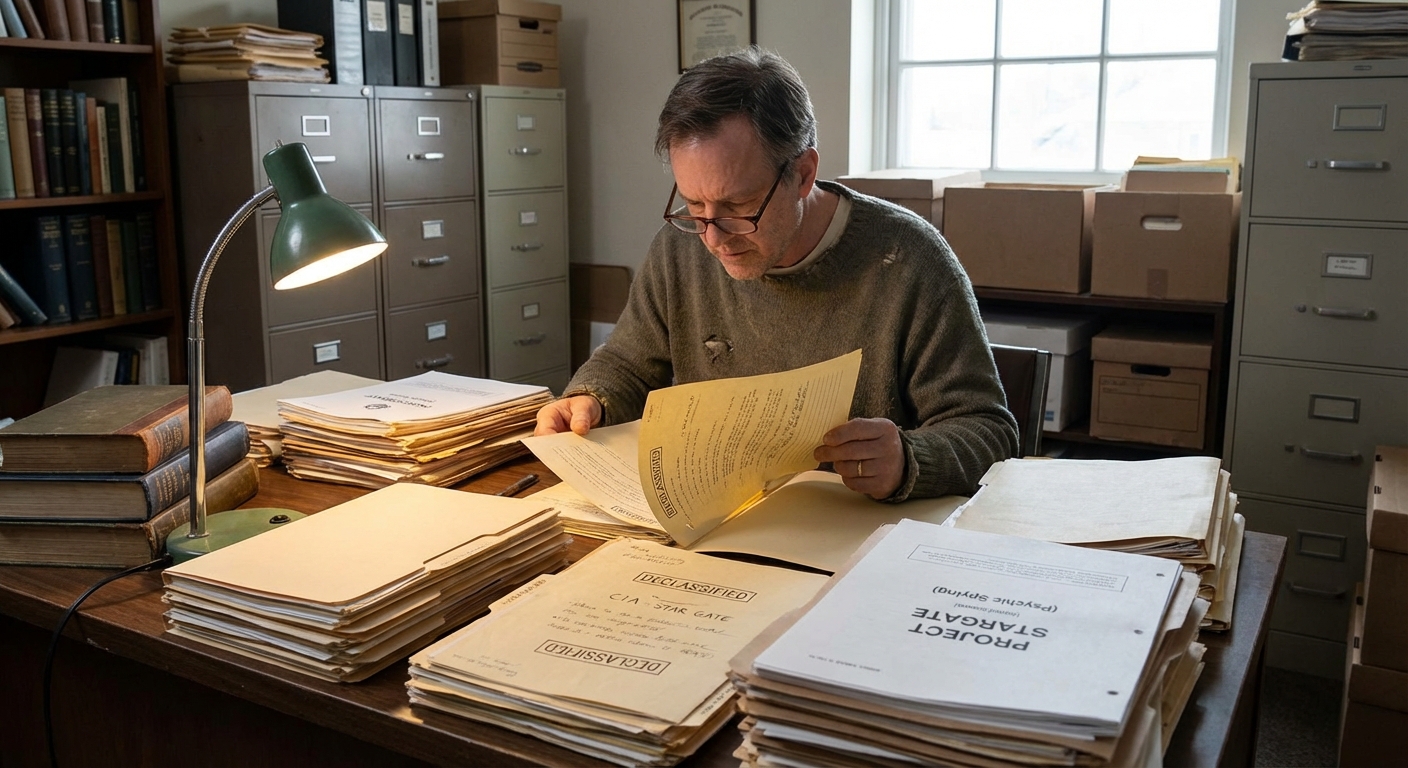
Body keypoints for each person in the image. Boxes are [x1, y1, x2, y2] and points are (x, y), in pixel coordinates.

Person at [534, 47, 1018, 501]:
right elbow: (627, 362)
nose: (713, 237)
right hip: (718, 524)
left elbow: (989, 432)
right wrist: (588, 399)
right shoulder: (682, 247)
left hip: (854, 544)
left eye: (739, 206)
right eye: (694, 204)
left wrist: (909, 461)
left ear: (804, 174)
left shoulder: (909, 260)